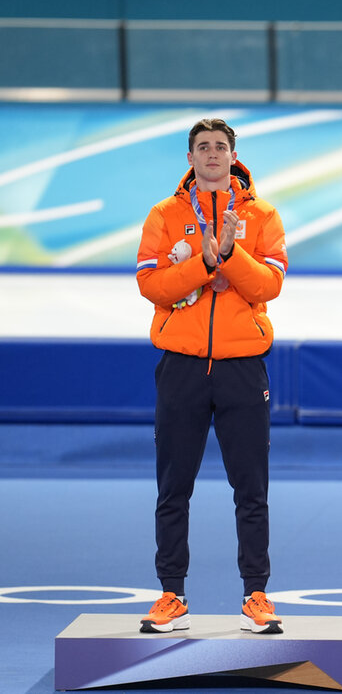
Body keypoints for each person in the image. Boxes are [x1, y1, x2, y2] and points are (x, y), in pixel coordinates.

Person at [135, 118, 288, 633]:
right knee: (173, 488)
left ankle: (257, 595)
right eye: (203, 147)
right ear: (190, 158)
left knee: (251, 489)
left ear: (233, 155)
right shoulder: (164, 214)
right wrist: (203, 263)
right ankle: (170, 595)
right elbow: (151, 286)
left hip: (243, 368)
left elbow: (270, 283)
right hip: (181, 367)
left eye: (220, 147)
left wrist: (230, 253)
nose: (212, 155)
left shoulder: (263, 215)